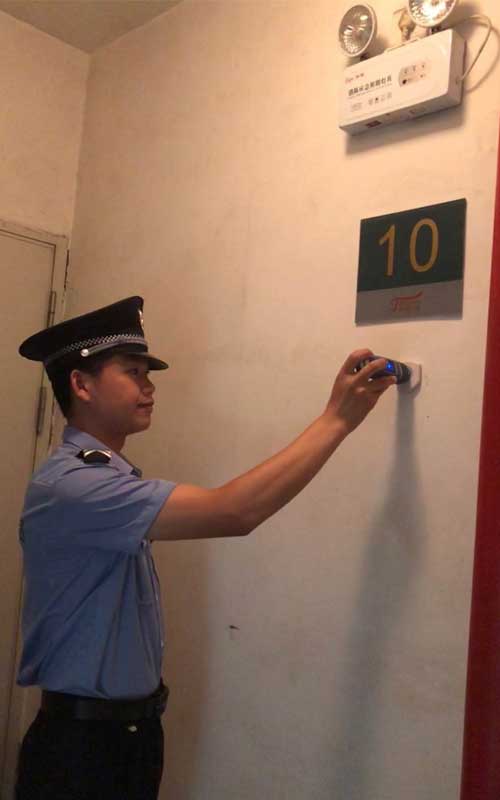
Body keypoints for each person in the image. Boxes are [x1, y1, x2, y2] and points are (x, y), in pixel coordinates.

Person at [14, 295, 396, 800]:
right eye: (133, 372)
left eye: (148, 374)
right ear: (81, 385)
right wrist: (336, 419)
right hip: (82, 749)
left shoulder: (103, 478)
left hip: (123, 736)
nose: (149, 386)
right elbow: (234, 511)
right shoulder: (76, 485)